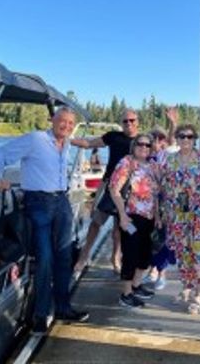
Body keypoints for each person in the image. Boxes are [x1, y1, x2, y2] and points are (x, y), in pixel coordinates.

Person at [0, 106, 89, 335]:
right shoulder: (36, 139)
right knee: (45, 258)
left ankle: (63, 308)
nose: (66, 126)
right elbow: (0, 155)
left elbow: (87, 143)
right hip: (38, 203)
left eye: (70, 123)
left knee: (64, 256)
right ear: (52, 120)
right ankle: (40, 315)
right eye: (62, 121)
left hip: (62, 202)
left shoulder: (66, 143)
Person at [71, 108, 140, 274]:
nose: (129, 123)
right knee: (95, 222)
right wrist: (67, 139)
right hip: (109, 185)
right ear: (121, 123)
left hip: (130, 189)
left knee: (120, 228)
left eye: (132, 120)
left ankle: (116, 258)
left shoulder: (142, 141)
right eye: (125, 121)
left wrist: (173, 124)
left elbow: (165, 149)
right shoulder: (113, 136)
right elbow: (89, 144)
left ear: (137, 122)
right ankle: (84, 255)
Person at [161, 124, 200, 314]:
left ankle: (199, 294)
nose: (186, 140)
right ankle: (186, 286)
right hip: (177, 213)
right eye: (182, 136)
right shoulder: (169, 160)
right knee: (182, 251)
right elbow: (163, 186)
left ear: (195, 139)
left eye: (190, 137)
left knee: (199, 252)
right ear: (176, 139)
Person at [110, 133, 161, 308]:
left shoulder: (153, 165)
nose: (144, 148)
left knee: (145, 255)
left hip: (149, 217)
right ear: (133, 145)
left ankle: (136, 285)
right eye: (140, 144)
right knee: (130, 254)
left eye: (148, 145)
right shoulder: (127, 162)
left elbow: (156, 193)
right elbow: (114, 189)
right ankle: (126, 294)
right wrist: (122, 215)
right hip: (131, 216)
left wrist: (158, 216)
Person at [142, 126, 177, 290]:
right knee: (149, 239)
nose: (156, 142)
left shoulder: (167, 156)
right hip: (146, 204)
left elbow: (172, 142)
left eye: (160, 138)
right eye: (153, 139)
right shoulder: (144, 158)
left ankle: (161, 273)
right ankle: (152, 269)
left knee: (163, 238)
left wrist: (172, 124)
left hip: (165, 202)